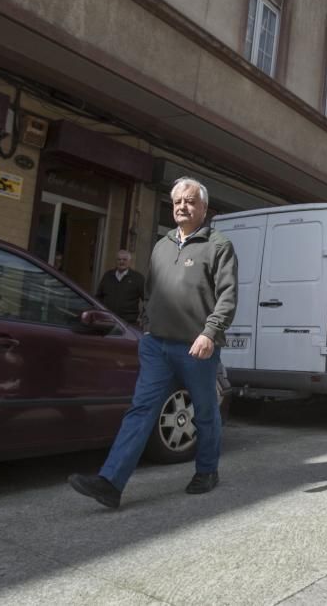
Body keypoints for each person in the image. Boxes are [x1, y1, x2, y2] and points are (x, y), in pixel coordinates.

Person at [69, 177, 237, 507]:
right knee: (141, 410)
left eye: (189, 201)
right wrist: (147, 328)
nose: (182, 207)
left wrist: (209, 333)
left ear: (203, 207)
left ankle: (206, 471)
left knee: (204, 412)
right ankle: (111, 483)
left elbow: (228, 296)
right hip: (157, 346)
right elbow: (152, 291)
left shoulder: (218, 246)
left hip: (197, 347)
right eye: (177, 202)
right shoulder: (161, 245)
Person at [95, 249, 145, 325]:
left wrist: (142, 317)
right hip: (107, 320)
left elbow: (147, 299)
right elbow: (98, 297)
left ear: (129, 261)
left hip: (128, 323)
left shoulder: (138, 278)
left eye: (124, 259)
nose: (121, 262)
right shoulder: (108, 275)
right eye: (119, 259)